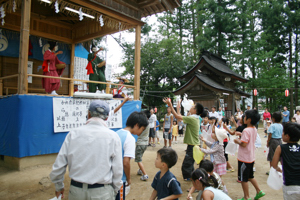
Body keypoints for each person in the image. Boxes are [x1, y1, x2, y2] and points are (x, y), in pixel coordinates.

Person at [49, 100, 123, 199]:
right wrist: (114, 189)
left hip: (76, 191)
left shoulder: (73, 134)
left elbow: (59, 165)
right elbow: (117, 169)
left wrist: (59, 186)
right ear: (107, 117)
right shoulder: (113, 137)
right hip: (102, 192)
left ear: (88, 113)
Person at [163, 97, 204, 181]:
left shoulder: (192, 118)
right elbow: (179, 118)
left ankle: (190, 179)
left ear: (195, 110)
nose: (191, 107)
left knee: (186, 164)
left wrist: (170, 104)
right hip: (194, 144)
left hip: (193, 145)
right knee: (190, 163)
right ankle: (192, 176)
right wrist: (178, 107)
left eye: (193, 107)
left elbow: (177, 116)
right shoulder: (194, 118)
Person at [115, 111, 149, 200]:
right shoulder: (130, 138)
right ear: (137, 125)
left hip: (111, 176)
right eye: (142, 129)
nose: (141, 132)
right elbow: (126, 163)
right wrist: (128, 179)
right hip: (120, 179)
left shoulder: (116, 133)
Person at [234, 109, 265, 200]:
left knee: (243, 179)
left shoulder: (246, 130)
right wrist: (241, 134)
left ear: (249, 119)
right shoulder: (254, 129)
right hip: (251, 157)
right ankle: (259, 191)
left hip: (244, 158)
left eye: (245, 117)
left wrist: (237, 141)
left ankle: (246, 197)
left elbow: (244, 144)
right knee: (250, 176)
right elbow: (249, 139)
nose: (243, 118)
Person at [271, 123, 300, 200]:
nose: (282, 134)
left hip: (290, 185)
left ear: (287, 136)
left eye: (283, 132)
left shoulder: (280, 147)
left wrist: (278, 168)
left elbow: (274, 164)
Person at [136, 110, 151, 181]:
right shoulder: (148, 123)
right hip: (145, 143)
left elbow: (138, 133)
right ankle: (140, 170)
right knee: (140, 157)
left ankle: (145, 175)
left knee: (138, 159)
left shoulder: (143, 124)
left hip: (140, 143)